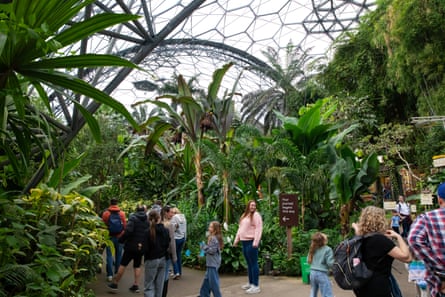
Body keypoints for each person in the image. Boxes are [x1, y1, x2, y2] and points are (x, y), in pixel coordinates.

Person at [351, 206, 412, 297]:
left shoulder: (359, 238)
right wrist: (398, 237)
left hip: (361, 284)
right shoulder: (380, 241)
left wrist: (356, 227)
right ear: (380, 220)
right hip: (378, 286)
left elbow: (358, 231)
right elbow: (407, 258)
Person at [408, 182, 445, 297]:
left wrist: (440, 269)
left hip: (441, 284)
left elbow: (414, 239)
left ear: (439, 199)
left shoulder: (428, 218)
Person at [107, 205, 148, 293]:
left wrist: (121, 240)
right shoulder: (147, 220)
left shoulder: (133, 218)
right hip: (140, 247)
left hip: (131, 246)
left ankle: (115, 283)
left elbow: (128, 231)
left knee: (123, 264)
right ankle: (136, 285)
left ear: (136, 210)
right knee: (137, 265)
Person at [233, 200, 263, 294]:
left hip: (251, 242)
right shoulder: (244, 215)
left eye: (254, 205)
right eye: (251, 205)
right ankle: (251, 283)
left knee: (254, 263)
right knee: (249, 264)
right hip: (244, 242)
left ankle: (256, 286)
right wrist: (236, 240)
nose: (253, 206)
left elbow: (259, 228)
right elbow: (240, 229)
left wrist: (256, 242)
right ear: (248, 206)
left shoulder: (256, 215)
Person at [144, 209, 171, 297]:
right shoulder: (165, 230)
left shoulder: (148, 232)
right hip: (163, 259)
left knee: (149, 285)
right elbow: (168, 244)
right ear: (159, 218)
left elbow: (145, 248)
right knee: (159, 286)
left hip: (151, 259)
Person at [102, 198, 127, 282]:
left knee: (109, 255)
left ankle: (109, 275)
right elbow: (124, 226)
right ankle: (117, 272)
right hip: (119, 237)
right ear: (117, 203)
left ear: (110, 203)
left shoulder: (106, 213)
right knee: (119, 255)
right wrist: (122, 234)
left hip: (109, 237)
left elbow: (103, 225)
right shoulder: (122, 214)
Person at [198, 221, 224, 297]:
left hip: (213, 263)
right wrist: (203, 252)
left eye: (211, 227)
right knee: (207, 280)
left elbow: (212, 251)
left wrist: (203, 247)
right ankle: (203, 295)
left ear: (215, 229)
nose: (209, 228)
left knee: (213, 283)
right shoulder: (214, 237)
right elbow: (211, 250)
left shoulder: (213, 238)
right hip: (212, 262)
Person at [307, 232, 334, 297]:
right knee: (327, 293)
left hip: (312, 273)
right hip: (322, 274)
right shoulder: (328, 249)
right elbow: (330, 263)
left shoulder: (312, 248)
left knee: (313, 292)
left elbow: (308, 260)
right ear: (324, 240)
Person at [161, 205, 177, 297]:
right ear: (166, 213)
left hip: (157, 254)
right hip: (166, 254)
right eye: (171, 212)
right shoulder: (169, 225)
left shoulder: (157, 223)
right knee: (165, 275)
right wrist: (174, 257)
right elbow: (172, 242)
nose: (172, 214)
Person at [170, 207, 187, 280]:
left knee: (173, 255)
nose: (170, 214)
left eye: (171, 212)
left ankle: (176, 272)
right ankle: (179, 272)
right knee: (179, 255)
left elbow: (173, 228)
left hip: (176, 238)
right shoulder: (183, 217)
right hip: (182, 238)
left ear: (174, 212)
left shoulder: (174, 217)